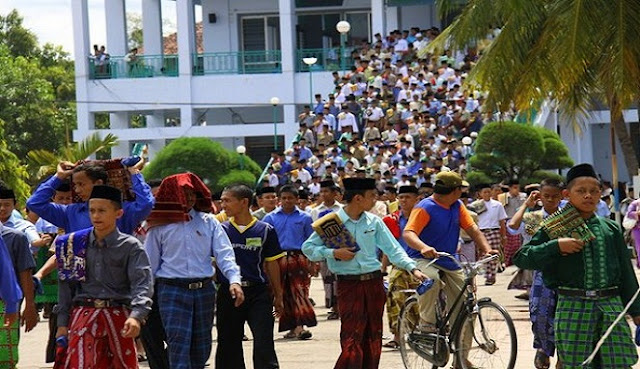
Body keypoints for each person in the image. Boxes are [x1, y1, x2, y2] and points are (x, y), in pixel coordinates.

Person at [514, 164, 640, 369]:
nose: (588, 196)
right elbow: (522, 258)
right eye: (581, 191)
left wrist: (636, 310)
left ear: (600, 194)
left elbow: (626, 272)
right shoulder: (553, 226)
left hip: (611, 307)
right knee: (577, 365)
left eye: (594, 191)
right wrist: (555, 247)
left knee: (619, 363)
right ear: (567, 194)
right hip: (572, 307)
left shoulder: (610, 229)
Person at [302, 177, 427, 369]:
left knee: (373, 335)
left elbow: (393, 249)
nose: (375, 200)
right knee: (352, 336)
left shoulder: (374, 222)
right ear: (358, 198)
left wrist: (413, 268)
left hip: (374, 284)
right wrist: (333, 253)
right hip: (348, 285)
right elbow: (308, 248)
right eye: (372, 196)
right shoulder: (330, 223)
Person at [144, 173, 244, 369]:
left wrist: (234, 280)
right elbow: (150, 265)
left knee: (202, 345)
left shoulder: (209, 222)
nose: (189, 198)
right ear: (172, 194)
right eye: (183, 193)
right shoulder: (159, 226)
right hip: (171, 290)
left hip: (204, 290)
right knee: (178, 344)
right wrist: (144, 299)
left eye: (192, 194)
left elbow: (224, 253)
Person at [54, 185, 153, 368]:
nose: (96, 216)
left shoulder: (131, 246)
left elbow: (142, 283)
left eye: (102, 210)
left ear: (118, 213)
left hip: (119, 319)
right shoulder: (73, 243)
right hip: (83, 317)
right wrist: (62, 324)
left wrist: (137, 315)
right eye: (92, 210)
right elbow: (66, 287)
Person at [403, 172, 494, 367]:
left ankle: (461, 357)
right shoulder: (425, 207)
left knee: (467, 307)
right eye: (461, 189)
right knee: (432, 281)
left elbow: (472, 229)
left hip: (448, 259)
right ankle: (427, 322)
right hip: (421, 258)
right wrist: (423, 247)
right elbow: (409, 233)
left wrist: (486, 249)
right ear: (454, 191)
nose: (462, 193)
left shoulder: (457, 206)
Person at [216, 185, 285, 369]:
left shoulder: (265, 230)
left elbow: (272, 264)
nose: (223, 205)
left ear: (244, 202)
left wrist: (278, 295)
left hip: (259, 293)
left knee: (263, 339)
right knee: (228, 342)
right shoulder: (220, 230)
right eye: (222, 200)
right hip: (228, 293)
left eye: (227, 200)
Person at [508, 179, 564, 369]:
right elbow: (513, 226)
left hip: (566, 272)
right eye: (546, 196)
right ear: (539, 196)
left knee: (563, 315)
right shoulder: (534, 217)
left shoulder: (568, 215)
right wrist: (526, 204)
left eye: (555, 196)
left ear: (562, 195)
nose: (550, 200)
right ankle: (542, 348)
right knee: (539, 312)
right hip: (541, 272)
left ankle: (562, 356)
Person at [27, 160, 154, 234]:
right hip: (82, 277)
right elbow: (34, 203)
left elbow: (146, 204)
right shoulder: (70, 212)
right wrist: (58, 177)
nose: (77, 190)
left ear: (98, 183)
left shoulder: (121, 210)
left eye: (81, 184)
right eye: (75, 185)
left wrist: (134, 173)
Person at [263, 185, 316, 339]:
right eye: (284, 198)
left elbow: (310, 241)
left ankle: (300, 326)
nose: (287, 201)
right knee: (281, 293)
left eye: (290, 198)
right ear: (279, 199)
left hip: (298, 258)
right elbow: (264, 243)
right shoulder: (270, 218)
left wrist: (313, 262)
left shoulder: (305, 218)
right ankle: (292, 327)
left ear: (297, 199)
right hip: (276, 260)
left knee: (299, 291)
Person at [382, 185, 422, 349]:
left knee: (422, 301)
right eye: (401, 197)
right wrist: (383, 268)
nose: (403, 200)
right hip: (399, 266)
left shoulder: (423, 217)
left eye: (407, 197)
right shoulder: (393, 220)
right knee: (395, 299)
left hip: (421, 263)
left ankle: (420, 333)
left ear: (416, 199)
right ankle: (397, 337)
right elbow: (387, 245)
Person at [309, 180, 343, 320]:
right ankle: (333, 307)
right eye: (321, 192)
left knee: (340, 279)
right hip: (324, 249)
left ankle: (340, 307)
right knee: (327, 279)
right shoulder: (316, 211)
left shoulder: (341, 209)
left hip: (341, 248)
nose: (323, 194)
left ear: (335, 193)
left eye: (326, 191)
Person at [472, 183, 508, 285]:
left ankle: (491, 276)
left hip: (494, 231)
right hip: (481, 232)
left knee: (493, 254)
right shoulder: (475, 205)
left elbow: (502, 221)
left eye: (489, 191)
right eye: (485, 192)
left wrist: (503, 235)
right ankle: (487, 274)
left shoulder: (497, 205)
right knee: (483, 255)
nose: (487, 194)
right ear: (480, 194)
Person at [498, 180, 526, 266]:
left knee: (519, 243)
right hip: (508, 221)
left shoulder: (523, 196)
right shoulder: (504, 197)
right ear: (510, 188)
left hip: (521, 221)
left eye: (518, 188)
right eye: (514, 188)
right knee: (508, 245)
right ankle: (505, 262)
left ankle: (517, 262)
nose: (517, 190)